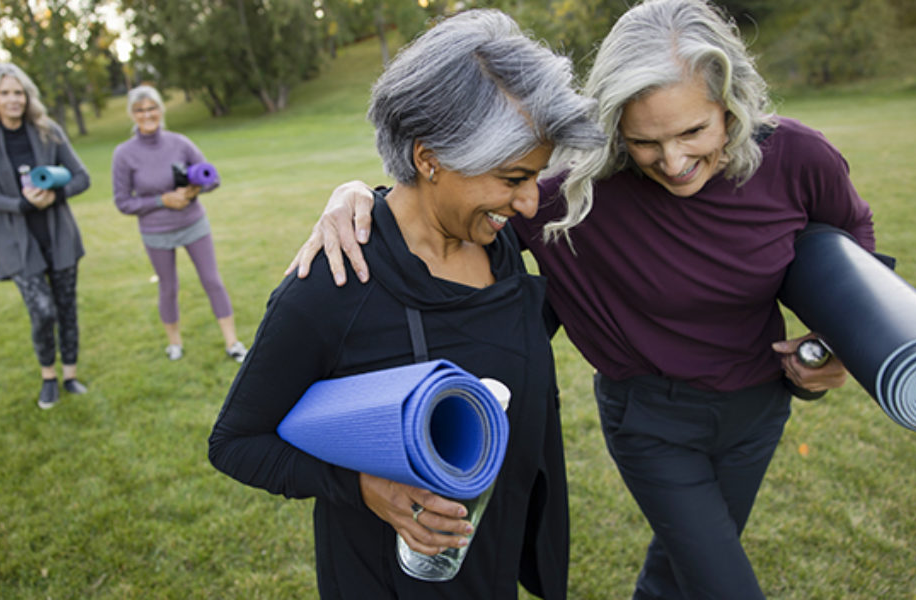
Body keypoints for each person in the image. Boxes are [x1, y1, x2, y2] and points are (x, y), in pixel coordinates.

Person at [287, 1, 877, 598]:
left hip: (760, 409)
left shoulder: (799, 159)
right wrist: (358, 194)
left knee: (681, 572)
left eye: (693, 131)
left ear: (731, 105)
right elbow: (444, 204)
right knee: (724, 585)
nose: (673, 163)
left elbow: (852, 241)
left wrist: (840, 342)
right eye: (645, 141)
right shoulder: (571, 198)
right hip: (652, 422)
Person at [209, 9, 604, 599]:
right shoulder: (334, 283)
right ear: (428, 157)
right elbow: (236, 444)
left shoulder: (499, 245)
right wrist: (359, 484)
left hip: (490, 566)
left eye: (536, 176)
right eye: (512, 178)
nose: (529, 203)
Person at [0, 62, 92, 410]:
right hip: (16, 242)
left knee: (66, 309)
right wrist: (20, 204)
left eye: (18, 92)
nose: (13, 100)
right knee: (42, 310)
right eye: (5, 93)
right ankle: (48, 377)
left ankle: (70, 375)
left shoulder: (47, 129)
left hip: (59, 235)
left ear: (27, 95)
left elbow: (82, 177)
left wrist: (55, 195)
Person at [111, 85, 247, 363]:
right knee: (168, 287)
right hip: (156, 232)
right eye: (140, 110)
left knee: (212, 281)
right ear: (132, 115)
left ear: (161, 110)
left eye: (152, 108)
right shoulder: (124, 154)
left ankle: (232, 342)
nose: (147, 114)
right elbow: (123, 202)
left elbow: (213, 178)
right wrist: (162, 200)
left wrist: (195, 190)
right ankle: (174, 344)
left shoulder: (179, 143)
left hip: (192, 223)